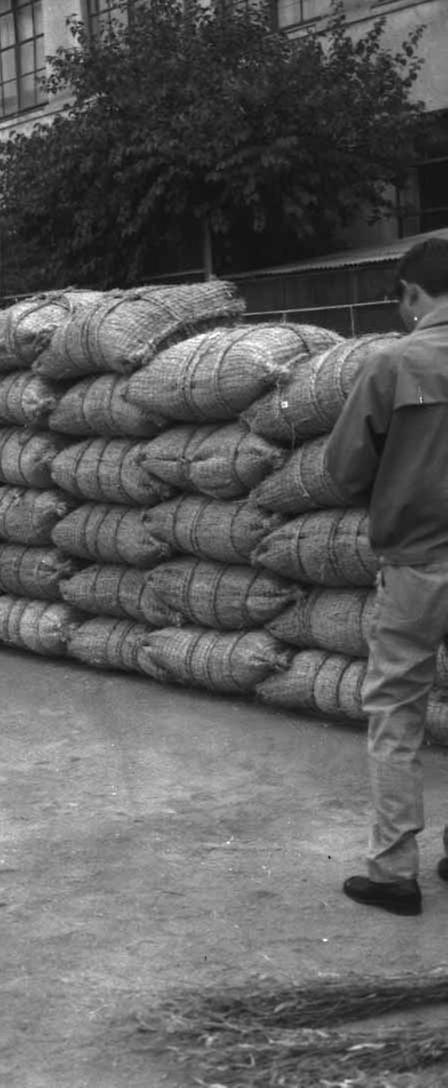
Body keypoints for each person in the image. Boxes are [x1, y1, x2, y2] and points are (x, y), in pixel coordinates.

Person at [324, 236, 448, 917]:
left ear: (413, 294)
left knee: (398, 712)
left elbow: (343, 470)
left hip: (417, 565)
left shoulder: (394, 363)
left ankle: (394, 872)